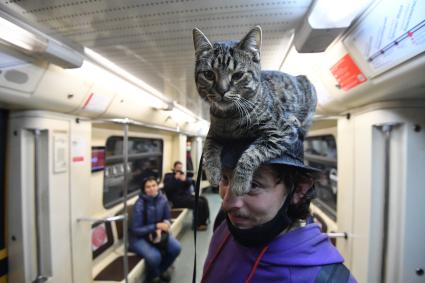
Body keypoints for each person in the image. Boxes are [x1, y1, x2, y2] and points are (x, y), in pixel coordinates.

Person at [201, 136, 357, 282]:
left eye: (252, 185)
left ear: (298, 190)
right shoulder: (225, 222)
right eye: (225, 179)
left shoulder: (326, 278)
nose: (227, 204)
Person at [129, 176, 181, 283]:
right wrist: (155, 226)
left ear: (158, 186)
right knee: (155, 257)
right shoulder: (139, 205)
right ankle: (153, 277)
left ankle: (158, 272)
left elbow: (167, 217)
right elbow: (135, 229)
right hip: (138, 238)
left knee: (176, 248)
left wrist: (165, 225)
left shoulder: (162, 199)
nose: (152, 189)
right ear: (144, 190)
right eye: (148, 187)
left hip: (157, 233)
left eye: (154, 186)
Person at [163, 161, 210, 230]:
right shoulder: (168, 176)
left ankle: (204, 221)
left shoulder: (183, 175)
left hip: (185, 196)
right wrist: (175, 178)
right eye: (178, 167)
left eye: (180, 167)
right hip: (176, 200)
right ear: (174, 168)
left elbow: (189, 184)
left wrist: (185, 180)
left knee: (203, 199)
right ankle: (197, 225)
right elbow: (167, 188)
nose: (179, 169)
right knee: (198, 203)